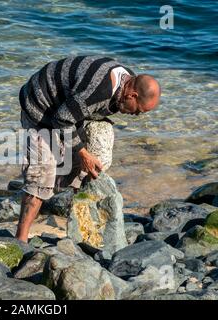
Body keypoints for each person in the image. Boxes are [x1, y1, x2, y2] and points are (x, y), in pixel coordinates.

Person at [16, 55, 161, 242]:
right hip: (40, 104)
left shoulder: (127, 82)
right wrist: (82, 152)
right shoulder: (100, 91)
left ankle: (78, 223)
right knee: (42, 175)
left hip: (67, 108)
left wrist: (83, 152)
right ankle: (21, 239)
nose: (136, 115)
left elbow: (74, 111)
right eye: (139, 110)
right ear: (131, 95)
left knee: (86, 163)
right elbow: (62, 119)